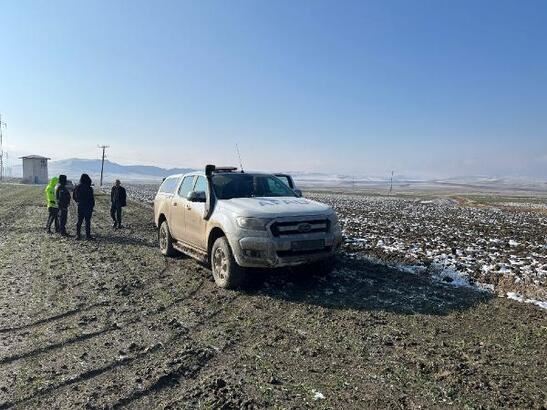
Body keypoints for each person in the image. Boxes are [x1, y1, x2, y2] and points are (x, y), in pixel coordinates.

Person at [73, 173, 95, 240]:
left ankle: (78, 235)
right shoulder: (89, 188)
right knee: (87, 221)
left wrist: (78, 202)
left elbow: (74, 197)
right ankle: (88, 236)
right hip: (88, 207)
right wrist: (92, 206)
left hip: (81, 206)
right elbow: (92, 198)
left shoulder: (78, 187)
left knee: (79, 221)